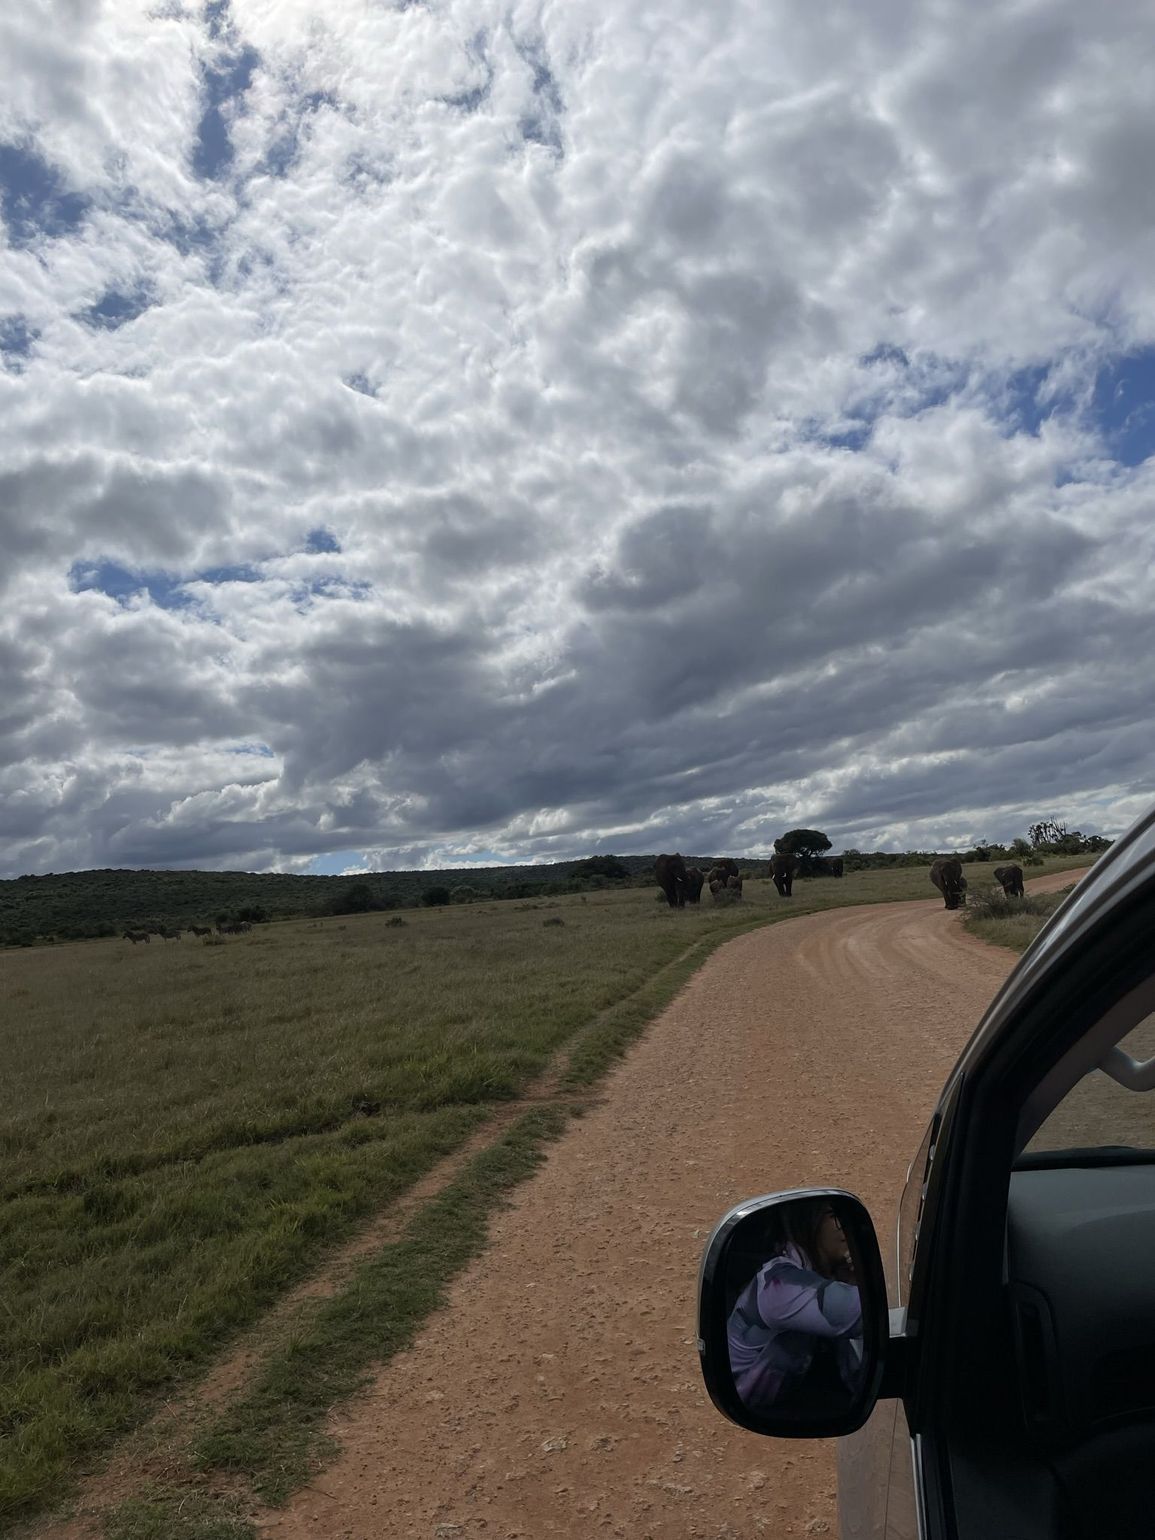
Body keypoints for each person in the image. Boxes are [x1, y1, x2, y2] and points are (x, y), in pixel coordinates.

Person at [726, 1201, 864, 1416]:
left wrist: (851, 1279)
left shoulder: (819, 1274)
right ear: (809, 1221)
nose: (846, 1226)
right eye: (835, 1216)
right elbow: (857, 1314)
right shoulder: (781, 1286)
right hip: (754, 1405)